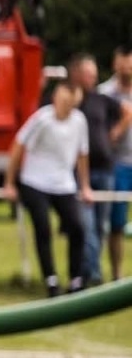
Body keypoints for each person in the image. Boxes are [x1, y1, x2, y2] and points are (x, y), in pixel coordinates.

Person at [4, 79, 92, 296]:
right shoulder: (42, 119)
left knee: (78, 228)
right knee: (43, 228)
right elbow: (18, 146)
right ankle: (51, 280)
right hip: (35, 182)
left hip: (64, 184)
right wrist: (9, 182)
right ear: (56, 98)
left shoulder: (80, 121)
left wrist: (85, 186)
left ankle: (75, 280)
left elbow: (82, 154)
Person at [70, 52, 132, 285]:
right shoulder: (94, 96)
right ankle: (98, 275)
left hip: (107, 169)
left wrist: (113, 134)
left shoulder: (101, 99)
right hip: (101, 169)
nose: (92, 78)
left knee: (100, 226)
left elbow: (127, 113)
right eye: (88, 74)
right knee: (98, 226)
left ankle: (94, 274)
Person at [100, 45, 132, 281]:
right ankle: (117, 276)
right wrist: (124, 122)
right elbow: (102, 136)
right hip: (118, 164)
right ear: (115, 64)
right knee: (117, 224)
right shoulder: (104, 95)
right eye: (124, 62)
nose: (127, 67)